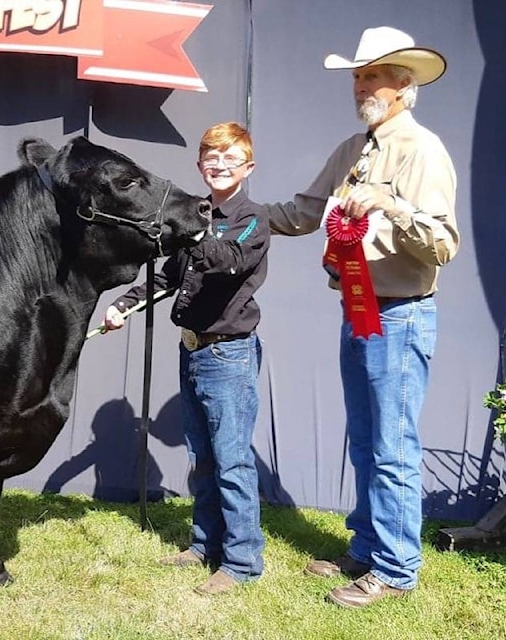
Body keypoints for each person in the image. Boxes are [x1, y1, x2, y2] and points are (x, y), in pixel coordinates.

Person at [265, 26, 459, 608]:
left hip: (400, 315)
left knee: (392, 445)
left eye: (371, 74)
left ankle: (396, 571)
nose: (360, 85)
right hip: (360, 310)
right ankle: (369, 546)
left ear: (404, 85)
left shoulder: (422, 150)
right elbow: (302, 211)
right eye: (357, 75)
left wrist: (391, 204)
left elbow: (443, 244)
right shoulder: (354, 150)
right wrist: (238, 215)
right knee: (368, 441)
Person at [102, 122, 269, 595]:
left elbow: (226, 258)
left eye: (230, 160)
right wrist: (124, 304)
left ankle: (241, 561)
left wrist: (188, 229)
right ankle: (203, 544)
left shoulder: (252, 218)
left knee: (232, 460)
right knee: (202, 457)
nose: (219, 167)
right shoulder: (198, 215)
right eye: (211, 159)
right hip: (191, 349)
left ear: (247, 168)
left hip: (229, 356)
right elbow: (168, 279)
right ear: (200, 165)